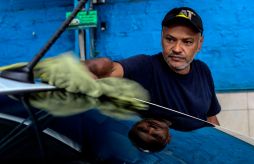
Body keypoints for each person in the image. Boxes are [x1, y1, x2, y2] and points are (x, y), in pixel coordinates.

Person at [85, 7, 221, 126]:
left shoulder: (203, 70)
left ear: (199, 44)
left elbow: (211, 118)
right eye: (170, 39)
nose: (177, 49)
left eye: (187, 42)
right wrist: (88, 70)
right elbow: (112, 70)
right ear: (162, 37)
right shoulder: (145, 66)